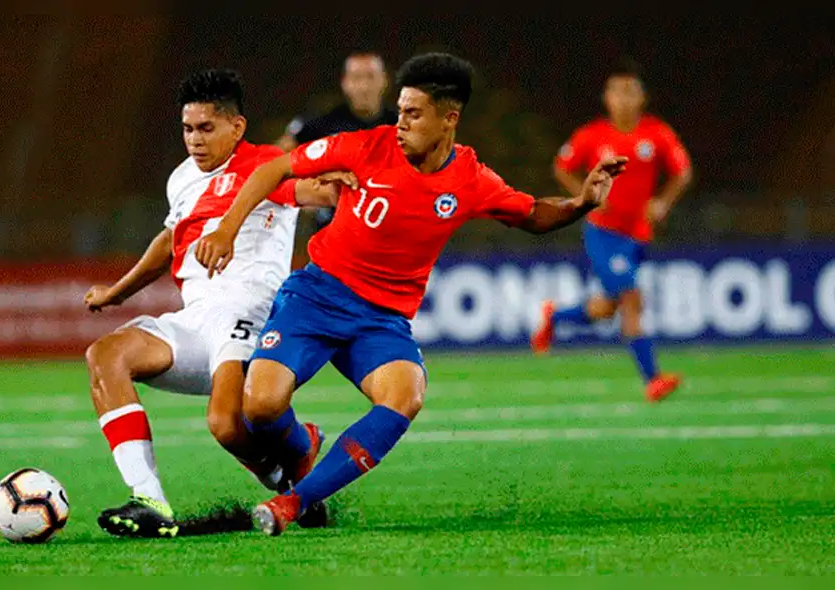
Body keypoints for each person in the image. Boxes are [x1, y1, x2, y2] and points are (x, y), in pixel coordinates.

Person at [195, 53, 627, 536]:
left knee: (405, 397)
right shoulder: (366, 146)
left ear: (450, 118)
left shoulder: (470, 180)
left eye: (413, 114)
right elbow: (273, 169)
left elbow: (533, 215)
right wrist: (228, 229)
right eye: (399, 110)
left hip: (381, 320)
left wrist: (583, 202)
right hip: (316, 297)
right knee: (259, 408)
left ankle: (294, 503)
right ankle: (302, 444)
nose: (399, 123)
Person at [82, 68, 352, 538]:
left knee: (227, 427)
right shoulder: (182, 179)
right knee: (105, 355)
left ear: (237, 127)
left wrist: (343, 182)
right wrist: (115, 293)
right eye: (188, 128)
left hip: (249, 312)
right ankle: (150, 499)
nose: (194, 140)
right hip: (196, 320)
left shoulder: (265, 164)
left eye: (206, 128)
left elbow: (317, 190)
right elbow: (169, 242)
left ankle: (294, 461)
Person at [532, 57, 693, 403]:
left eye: (630, 92)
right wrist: (587, 197)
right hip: (604, 234)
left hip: (637, 235)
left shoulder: (657, 134)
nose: (623, 99)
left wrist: (663, 201)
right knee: (632, 299)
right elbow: (562, 167)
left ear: (642, 98)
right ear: (606, 98)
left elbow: (683, 171)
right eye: (616, 92)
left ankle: (555, 315)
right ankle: (653, 379)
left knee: (607, 308)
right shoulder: (592, 136)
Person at [276, 51, 397, 232]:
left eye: (370, 77)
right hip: (332, 234)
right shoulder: (321, 124)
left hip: (389, 230)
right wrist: (301, 192)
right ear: (345, 83)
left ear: (384, 81)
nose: (364, 86)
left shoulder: (402, 125)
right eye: (356, 78)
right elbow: (274, 161)